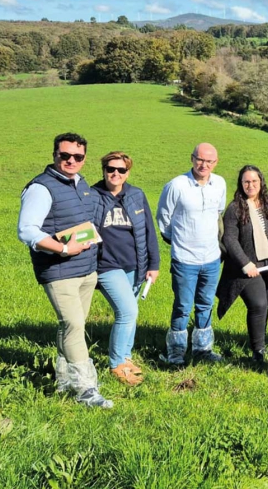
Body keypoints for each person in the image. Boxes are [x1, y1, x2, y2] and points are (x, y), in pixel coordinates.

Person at [17, 132, 111, 408]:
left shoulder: (82, 185)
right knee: (73, 325)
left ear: (84, 159)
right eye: (65, 155)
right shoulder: (41, 188)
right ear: (54, 155)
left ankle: (64, 380)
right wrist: (65, 250)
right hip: (58, 270)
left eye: (77, 157)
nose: (71, 160)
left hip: (86, 270)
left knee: (70, 326)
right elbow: (27, 231)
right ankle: (86, 388)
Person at [92, 151, 160, 386]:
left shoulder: (136, 195)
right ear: (103, 170)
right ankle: (117, 364)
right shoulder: (92, 195)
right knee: (127, 312)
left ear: (127, 172)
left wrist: (153, 264)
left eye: (121, 170)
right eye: (111, 169)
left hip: (135, 264)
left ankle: (126, 357)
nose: (115, 174)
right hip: (106, 265)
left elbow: (149, 230)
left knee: (131, 312)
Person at [157, 143, 227, 365]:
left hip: (212, 258)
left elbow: (218, 213)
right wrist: (178, 240)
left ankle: (202, 349)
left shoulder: (220, 184)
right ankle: (176, 352)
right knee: (183, 306)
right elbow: (164, 219)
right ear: (192, 158)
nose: (203, 164)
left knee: (206, 304)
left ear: (216, 162)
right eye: (200, 159)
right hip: (185, 259)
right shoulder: (176, 185)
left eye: (209, 161)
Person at [216, 166, 268, 363]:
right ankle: (258, 351)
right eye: (246, 182)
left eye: (254, 181)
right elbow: (230, 239)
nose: (250, 185)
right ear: (241, 184)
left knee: (264, 306)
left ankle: (261, 343)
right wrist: (245, 263)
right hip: (248, 268)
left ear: (261, 182)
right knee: (257, 304)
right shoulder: (234, 209)